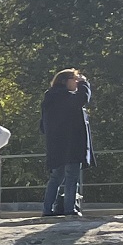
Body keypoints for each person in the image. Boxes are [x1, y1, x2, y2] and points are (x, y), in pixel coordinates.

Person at [40, 69, 92, 217]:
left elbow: (42, 125)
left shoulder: (49, 98)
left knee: (56, 177)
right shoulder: (66, 97)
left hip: (55, 145)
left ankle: (47, 208)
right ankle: (70, 209)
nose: (77, 82)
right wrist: (85, 84)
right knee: (71, 177)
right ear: (65, 81)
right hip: (72, 143)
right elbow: (82, 99)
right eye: (75, 79)